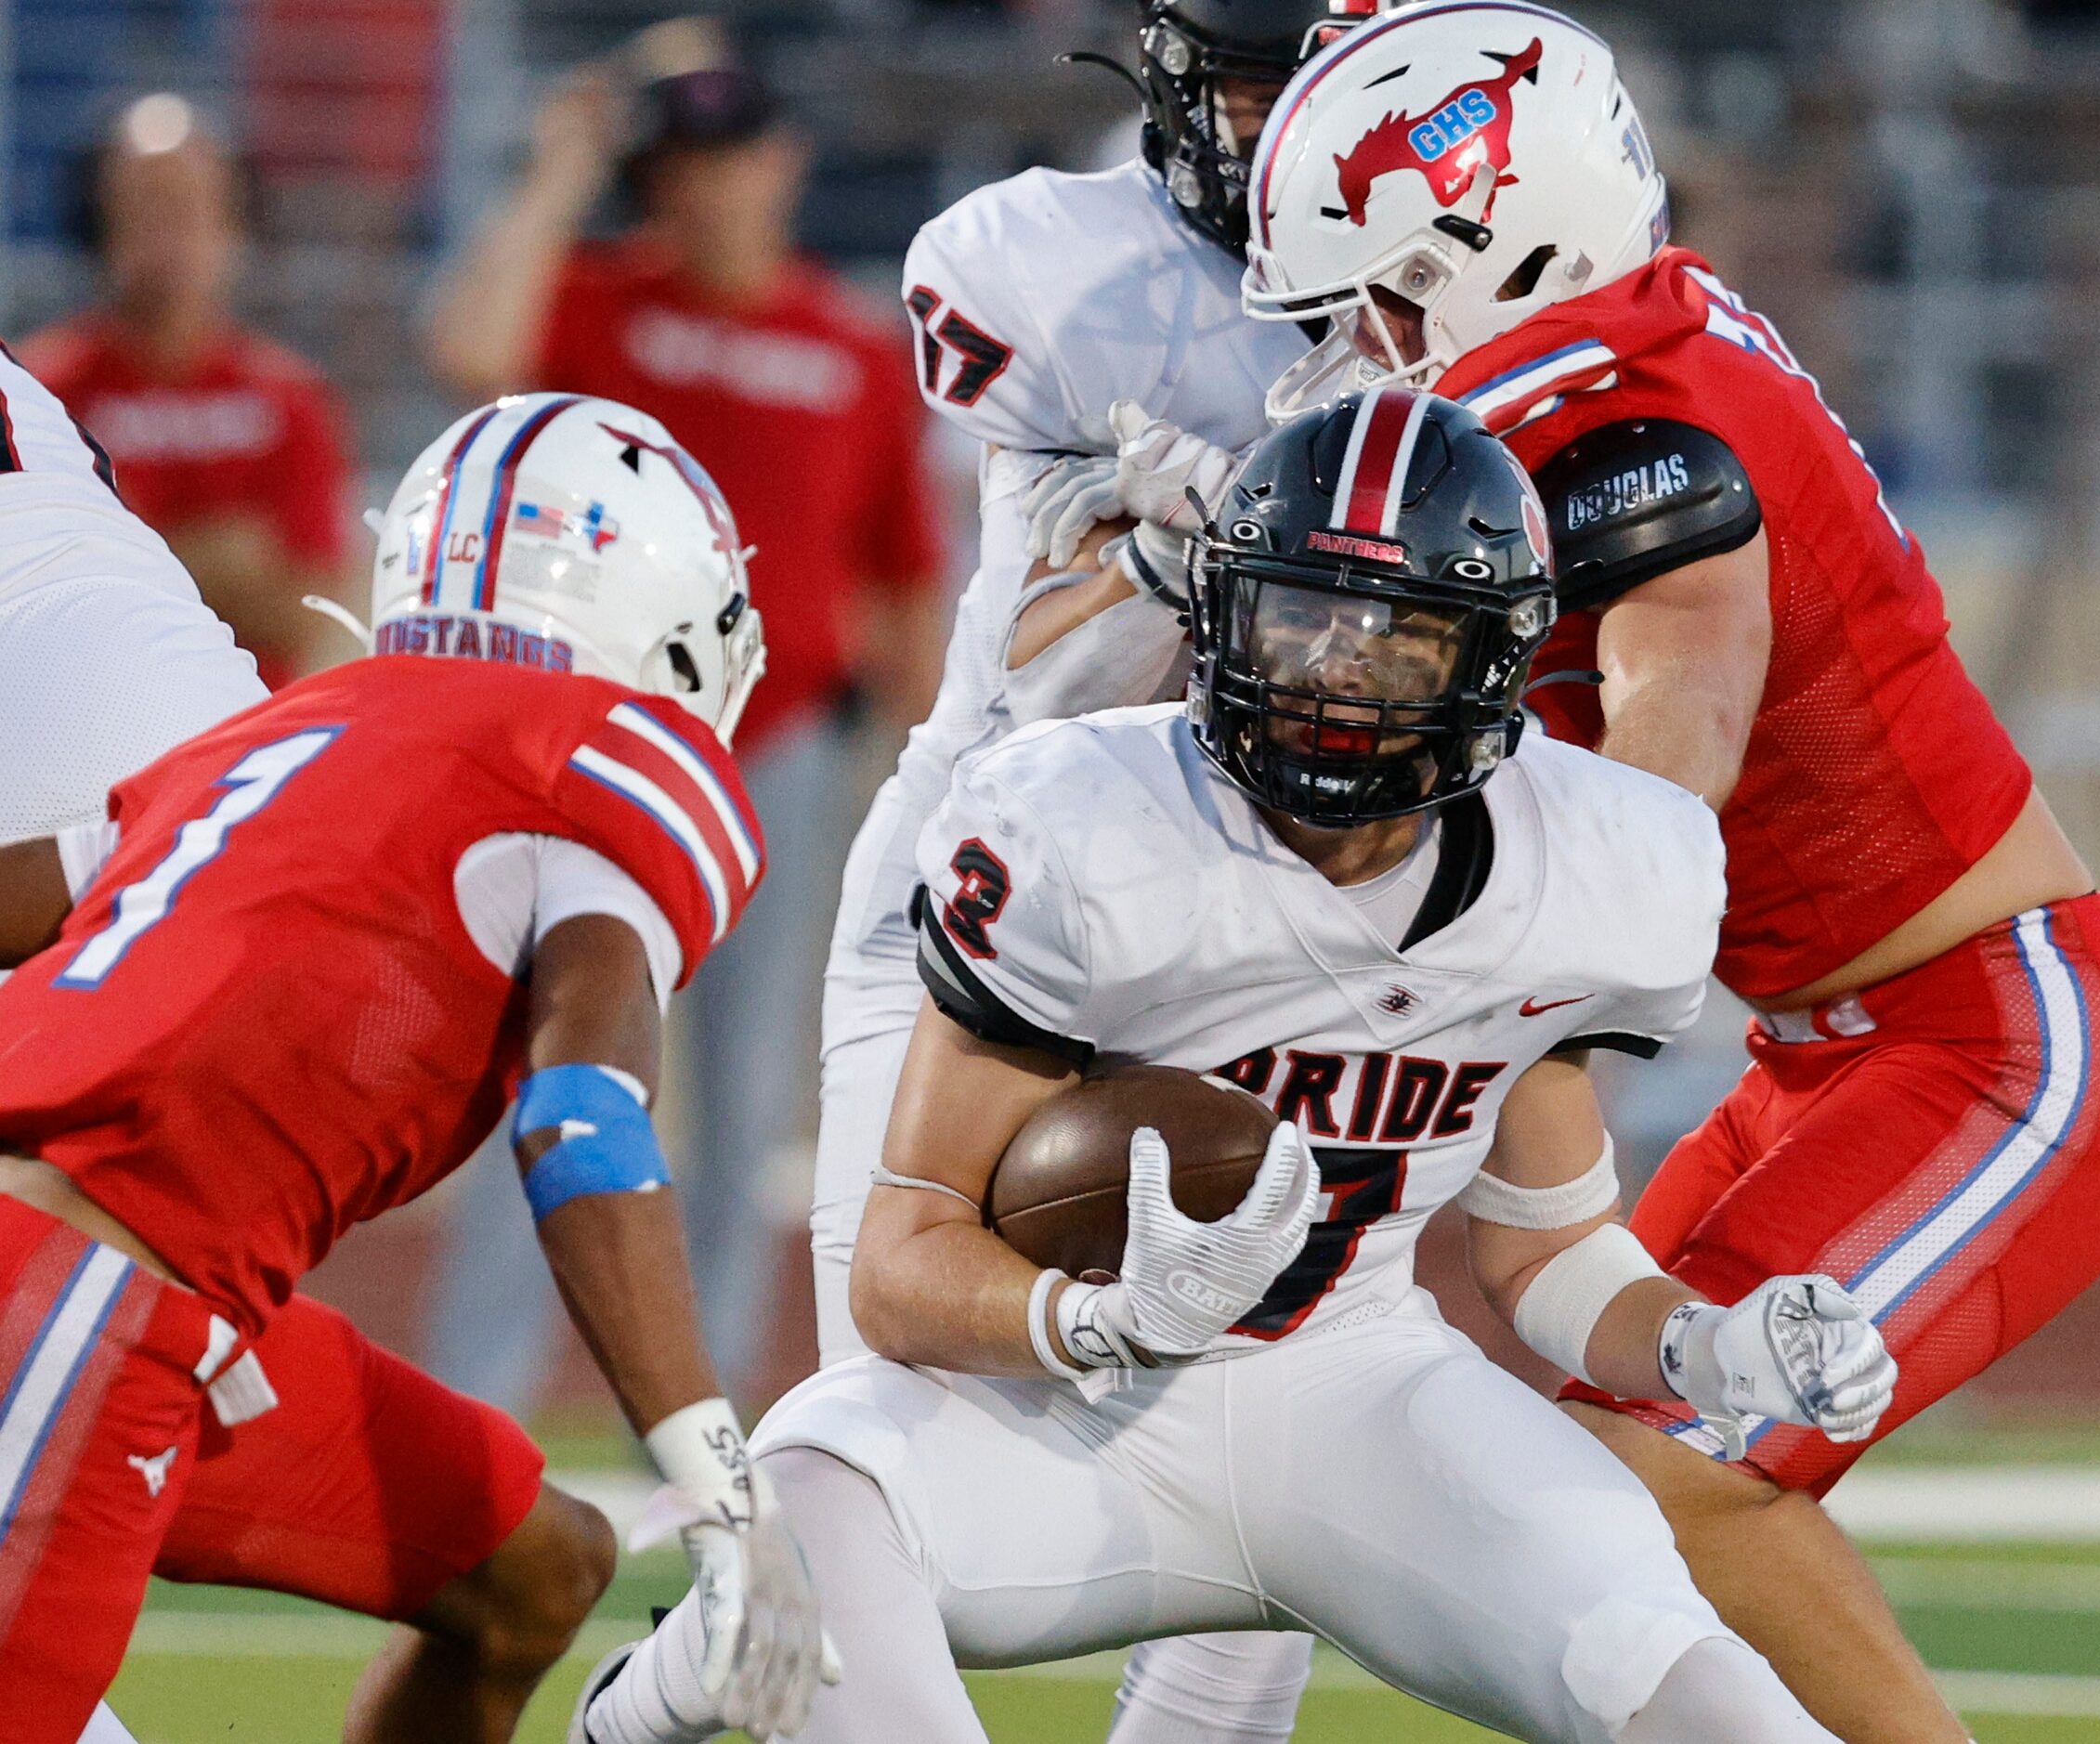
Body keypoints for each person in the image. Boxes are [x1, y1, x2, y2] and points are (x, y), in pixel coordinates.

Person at [576, 393, 1889, 1744]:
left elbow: (1548, 1253)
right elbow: (901, 1262)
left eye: (1394, 637)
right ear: (1220, 617)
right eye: (1299, 615)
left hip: (1354, 1396)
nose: (1332, 669)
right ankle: (644, 1704)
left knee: (1713, 1704)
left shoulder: (1592, 869)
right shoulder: (1084, 828)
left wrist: (1706, 1344)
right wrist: (1094, 1316)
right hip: (1066, 1412)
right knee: (808, 1486)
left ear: (1488, 658)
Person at [1225, 5, 2100, 1738]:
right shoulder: (1621, 346)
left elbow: (1654, 828)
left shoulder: (1637, 434)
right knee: (1551, 1510)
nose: (1359, 348)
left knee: (1655, 1479)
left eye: (1383, 294)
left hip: (2001, 1044)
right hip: (1828, 1051)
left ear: (1503, 234)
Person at [0, 391, 828, 1744]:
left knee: (529, 1568)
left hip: (137, 1297)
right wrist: (726, 1497)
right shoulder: (618, 755)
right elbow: (580, 1120)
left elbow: (26, 895)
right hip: (85, 1301)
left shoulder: (293, 729)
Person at [806, 3, 1395, 1735]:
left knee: (1258, 1526)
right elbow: (1026, 674)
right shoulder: (1040, 263)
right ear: (1163, 75)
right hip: (980, 906)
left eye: (1315, 93)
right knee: (877, 1460)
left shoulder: (1442, 304)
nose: (1277, 134)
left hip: (1250, 932)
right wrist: (1161, 555)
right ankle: (669, 1693)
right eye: (1244, 84)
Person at [424, 21, 944, 1408]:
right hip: (592, 750)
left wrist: (927, 794)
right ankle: (479, 1398)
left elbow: (902, 586)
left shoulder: (846, 344)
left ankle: (699, 1427)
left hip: (777, 754)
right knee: (553, 1069)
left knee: (747, 1110)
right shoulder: (600, 304)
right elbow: (470, 347)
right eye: (677, 164)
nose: (704, 187)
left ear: (781, 162)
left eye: (727, 156)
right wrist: (560, 168)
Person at [22, 93, 358, 690]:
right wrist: (225, 558)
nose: (170, 236)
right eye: (146, 208)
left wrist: (131, 547)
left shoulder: (293, 401)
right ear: (100, 222)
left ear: (235, 224)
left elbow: (309, 613)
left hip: (244, 747)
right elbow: (33, 596)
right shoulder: (36, 393)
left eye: (191, 209)